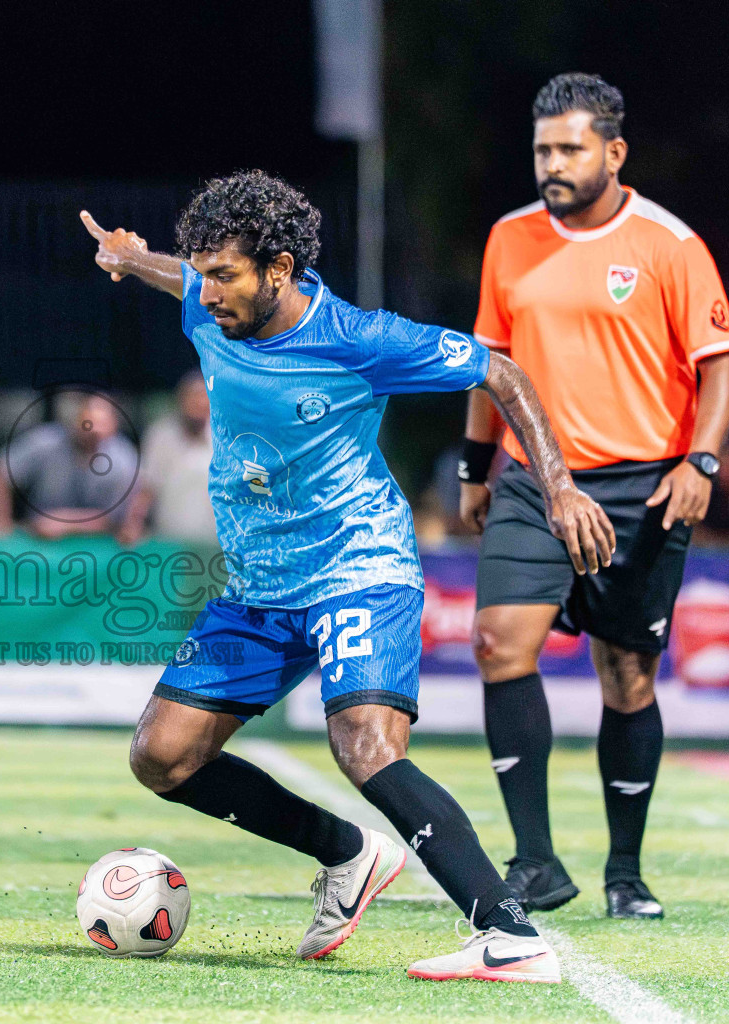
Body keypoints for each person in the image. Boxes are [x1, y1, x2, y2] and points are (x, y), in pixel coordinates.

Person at [82, 170, 613, 983]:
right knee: (162, 758)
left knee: (363, 742)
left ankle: (507, 933)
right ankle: (349, 855)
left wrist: (561, 486)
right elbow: (176, 277)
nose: (207, 290)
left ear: (282, 270)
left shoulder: (360, 339)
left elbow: (502, 374)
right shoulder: (207, 300)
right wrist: (132, 256)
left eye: (225, 274)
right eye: (204, 271)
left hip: (356, 566)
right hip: (258, 586)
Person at [460, 73, 729, 921]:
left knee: (626, 676)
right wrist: (476, 470)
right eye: (543, 148)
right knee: (495, 642)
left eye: (569, 148)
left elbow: (722, 364)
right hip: (532, 478)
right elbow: (489, 365)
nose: (551, 163)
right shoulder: (509, 238)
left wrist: (699, 463)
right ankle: (535, 863)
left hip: (642, 488)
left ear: (613, 153)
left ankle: (626, 871)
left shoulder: (668, 243)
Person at [0, 391, 139, 539]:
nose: (93, 431)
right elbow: (0, 471)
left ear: (114, 426)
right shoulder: (45, 442)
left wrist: (65, 523)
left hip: (100, 546)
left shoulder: (125, 458)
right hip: (37, 542)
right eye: (88, 422)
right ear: (76, 419)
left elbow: (119, 518)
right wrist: (1, 522)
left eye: (102, 424)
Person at [119, 369, 218, 547]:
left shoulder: (225, 438)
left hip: (213, 546)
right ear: (180, 400)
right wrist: (133, 524)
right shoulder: (161, 435)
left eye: (204, 397)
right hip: (168, 543)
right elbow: (147, 489)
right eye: (193, 397)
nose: (198, 403)